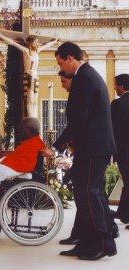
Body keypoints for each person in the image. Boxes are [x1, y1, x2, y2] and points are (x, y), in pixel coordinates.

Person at [44, 42, 117, 260]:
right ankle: (86, 243)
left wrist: (55, 146)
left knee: (89, 193)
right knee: (84, 195)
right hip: (93, 146)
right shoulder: (88, 75)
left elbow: (78, 120)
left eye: (60, 63)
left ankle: (104, 244)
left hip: (94, 147)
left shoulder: (84, 78)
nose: (61, 69)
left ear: (69, 58)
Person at [0, 32, 59, 117]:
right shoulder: (26, 51)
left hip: (35, 76)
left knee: (35, 100)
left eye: (37, 42)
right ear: (30, 42)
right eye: (35, 42)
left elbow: (47, 45)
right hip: (29, 76)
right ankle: (30, 117)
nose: (37, 43)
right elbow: (13, 43)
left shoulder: (37, 50)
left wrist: (55, 41)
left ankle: (34, 117)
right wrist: (1, 36)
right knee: (30, 99)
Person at [111, 74, 129, 227]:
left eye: (115, 85)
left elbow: (112, 130)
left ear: (122, 86)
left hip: (124, 151)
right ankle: (123, 213)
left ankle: (125, 214)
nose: (114, 88)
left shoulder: (117, 104)